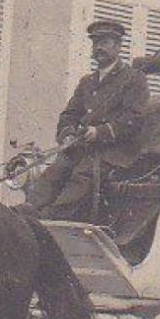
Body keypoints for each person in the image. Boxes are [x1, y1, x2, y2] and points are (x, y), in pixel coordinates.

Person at [26, 19, 150, 221]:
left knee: (81, 177)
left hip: (114, 154)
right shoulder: (87, 82)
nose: (99, 47)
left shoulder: (134, 79)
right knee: (56, 170)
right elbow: (69, 115)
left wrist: (99, 132)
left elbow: (134, 119)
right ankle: (28, 212)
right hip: (82, 149)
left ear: (118, 47)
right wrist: (67, 135)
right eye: (95, 42)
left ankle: (51, 219)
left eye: (105, 42)